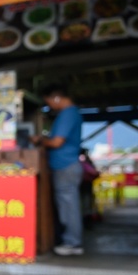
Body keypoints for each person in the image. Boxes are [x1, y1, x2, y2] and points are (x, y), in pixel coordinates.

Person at [35, 85, 85, 256]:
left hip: (66, 165)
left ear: (56, 98)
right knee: (68, 205)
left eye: (48, 101)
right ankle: (71, 241)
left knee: (68, 206)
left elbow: (56, 142)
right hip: (66, 165)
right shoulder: (71, 113)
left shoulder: (68, 114)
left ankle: (73, 243)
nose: (49, 105)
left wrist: (40, 140)